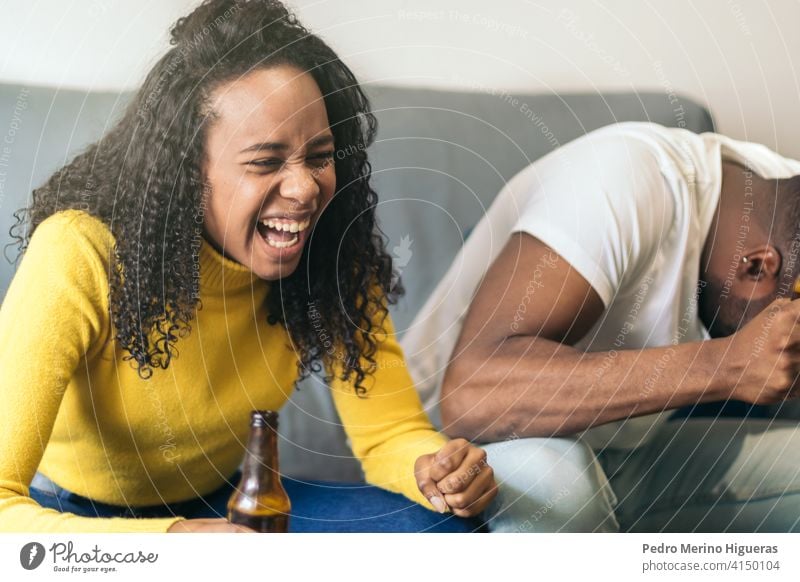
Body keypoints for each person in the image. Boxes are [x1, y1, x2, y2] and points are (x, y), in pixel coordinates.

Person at [0, 0, 496, 533]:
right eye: (265, 162)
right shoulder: (78, 254)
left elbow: (389, 433)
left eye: (320, 155)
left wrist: (436, 470)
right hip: (70, 518)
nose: (306, 188)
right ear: (186, 171)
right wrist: (172, 543)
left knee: (444, 529)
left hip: (227, 503)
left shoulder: (331, 253)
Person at [402, 121, 800, 532]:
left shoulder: (781, 194)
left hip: (625, 457)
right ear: (755, 265)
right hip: (467, 457)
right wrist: (727, 365)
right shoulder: (621, 182)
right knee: (557, 482)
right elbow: (471, 394)